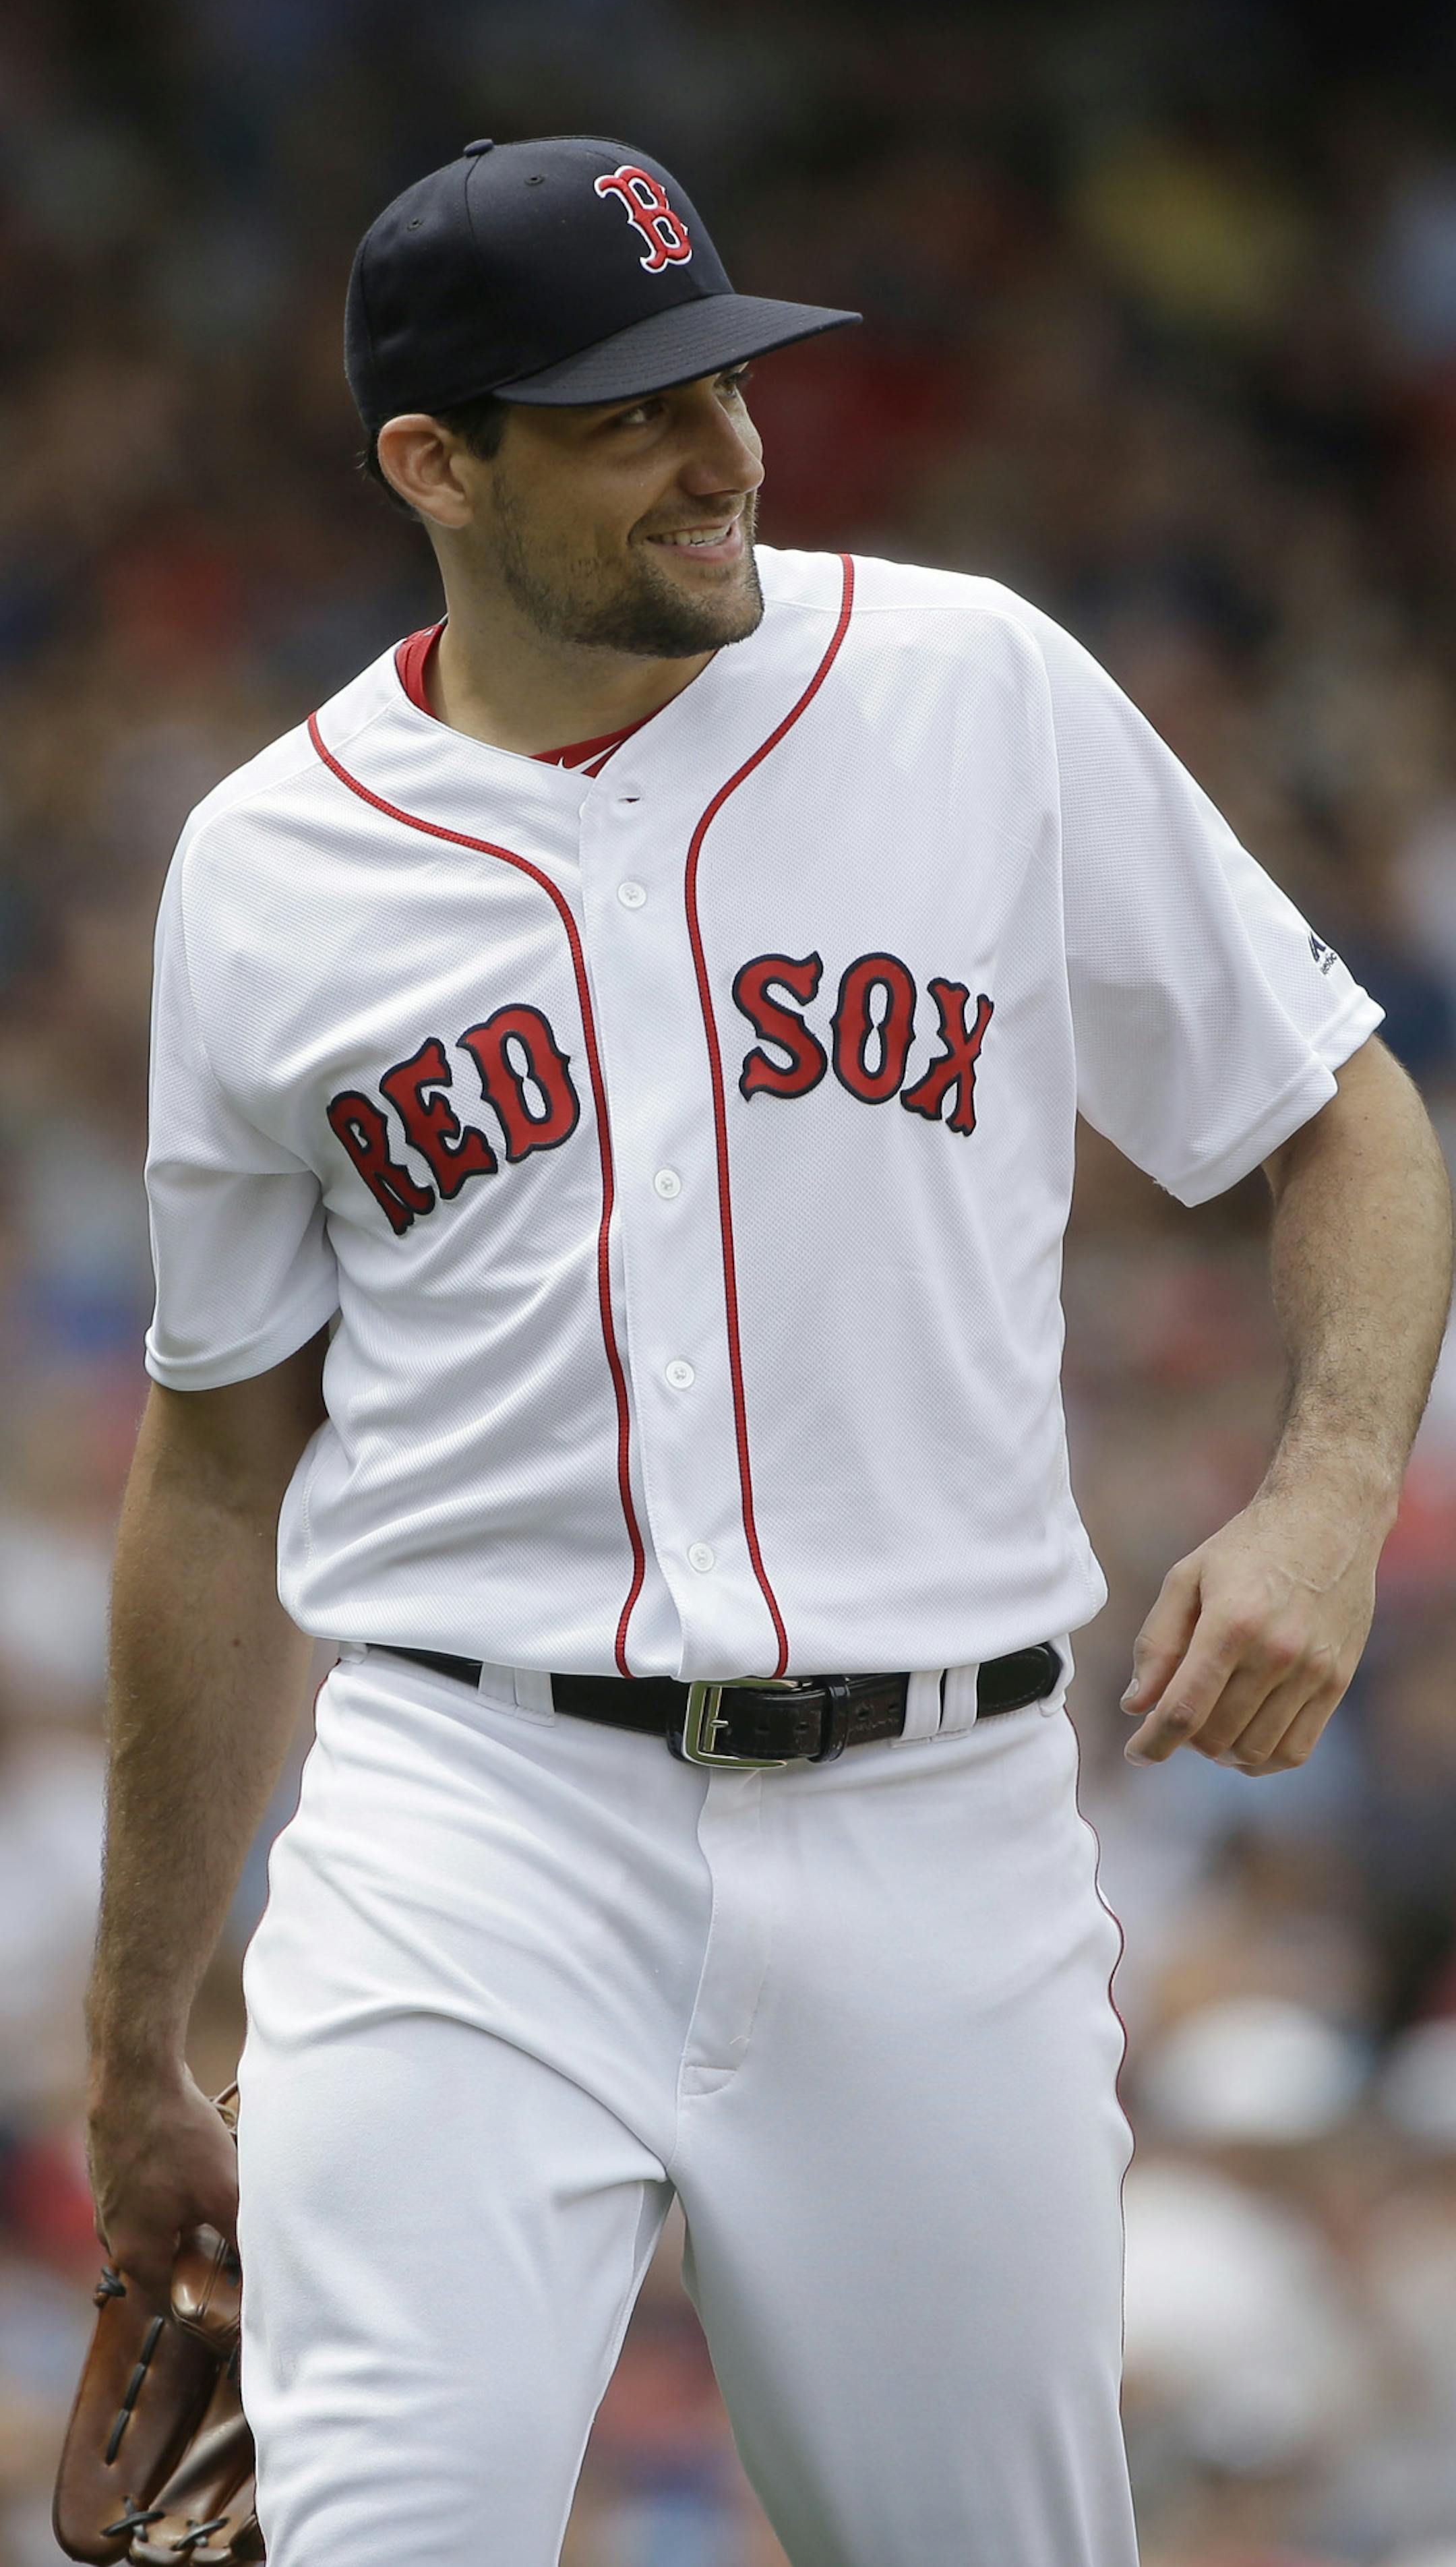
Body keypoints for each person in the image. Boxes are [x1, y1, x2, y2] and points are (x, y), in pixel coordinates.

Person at [84, 135, 1453, 2567]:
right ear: (436, 462)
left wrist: (1330, 1491)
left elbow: (1339, 1111)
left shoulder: (972, 689)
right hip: (468, 1814)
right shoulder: (273, 865)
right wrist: (137, 2046)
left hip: (940, 1824)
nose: (722, 451)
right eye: (628, 412)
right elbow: (213, 1468)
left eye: (725, 377)